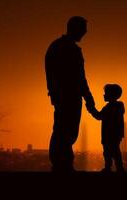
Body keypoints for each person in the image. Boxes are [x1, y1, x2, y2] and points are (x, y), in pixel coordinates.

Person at [45, 16, 95, 172]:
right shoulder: (70, 50)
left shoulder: (55, 46)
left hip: (61, 97)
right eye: (83, 29)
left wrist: (54, 93)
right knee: (67, 132)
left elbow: (51, 74)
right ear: (76, 29)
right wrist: (88, 98)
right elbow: (79, 77)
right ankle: (63, 164)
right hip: (69, 97)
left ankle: (61, 163)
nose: (85, 33)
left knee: (62, 130)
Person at [87, 84, 125, 172]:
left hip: (108, 134)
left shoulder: (109, 107)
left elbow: (98, 116)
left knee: (109, 151)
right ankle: (118, 168)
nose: (104, 95)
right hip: (116, 134)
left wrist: (91, 109)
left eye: (105, 93)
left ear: (111, 95)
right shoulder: (119, 106)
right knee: (115, 151)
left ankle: (110, 167)